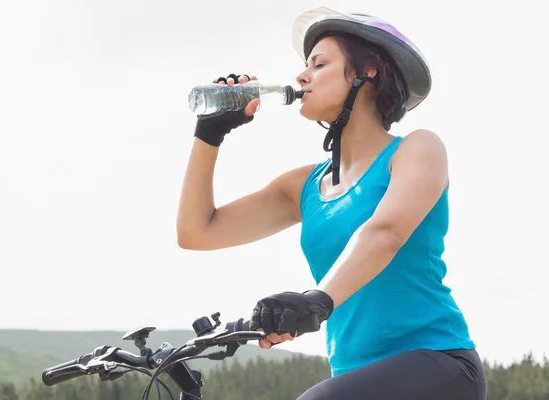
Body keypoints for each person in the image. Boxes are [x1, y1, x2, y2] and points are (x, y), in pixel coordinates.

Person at [176, 6, 487, 400]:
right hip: (356, 378)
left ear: (368, 71)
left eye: (319, 64)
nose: (301, 76)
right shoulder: (302, 186)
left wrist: (315, 301)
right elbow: (195, 232)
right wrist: (209, 134)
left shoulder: (416, 149)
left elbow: (384, 232)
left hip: (438, 364)